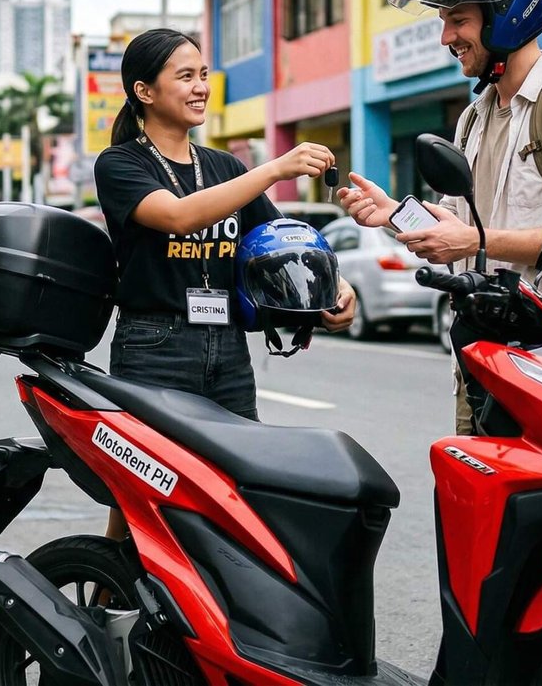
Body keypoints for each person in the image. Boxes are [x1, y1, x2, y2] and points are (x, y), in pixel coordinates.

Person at [338, 0, 542, 434]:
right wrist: (394, 215)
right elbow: (458, 225)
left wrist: (477, 240)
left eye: (459, 20)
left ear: (507, 17)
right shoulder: (475, 116)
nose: (446, 37)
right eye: (444, 22)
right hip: (483, 356)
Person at [95, 27, 357, 539]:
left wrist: (337, 287)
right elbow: (176, 216)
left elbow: (283, 241)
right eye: (184, 76)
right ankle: (109, 601)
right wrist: (275, 168)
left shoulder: (223, 167)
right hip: (155, 346)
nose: (200, 87)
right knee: (143, 494)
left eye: (203, 75)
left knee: (239, 482)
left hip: (228, 347)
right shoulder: (121, 164)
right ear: (144, 92)